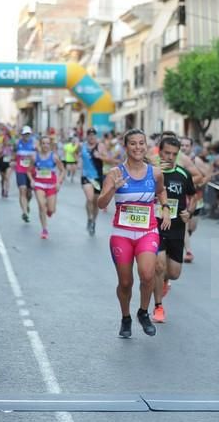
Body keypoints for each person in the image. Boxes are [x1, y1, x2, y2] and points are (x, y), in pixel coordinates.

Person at [97, 129, 171, 338]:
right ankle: (126, 318)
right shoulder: (115, 173)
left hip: (147, 231)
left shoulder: (155, 172)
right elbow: (101, 202)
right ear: (126, 146)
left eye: (141, 143)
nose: (138, 147)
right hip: (122, 234)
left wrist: (164, 208)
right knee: (126, 282)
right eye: (133, 144)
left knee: (148, 275)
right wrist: (113, 189)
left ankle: (142, 312)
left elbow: (161, 190)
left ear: (146, 146)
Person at [151, 136, 197, 323]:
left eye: (173, 154)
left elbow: (193, 196)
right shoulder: (151, 173)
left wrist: (189, 212)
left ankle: (164, 282)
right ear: (159, 152)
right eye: (166, 153)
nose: (169, 157)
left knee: (174, 273)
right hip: (156, 225)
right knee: (159, 265)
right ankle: (158, 307)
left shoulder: (183, 174)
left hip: (177, 228)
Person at [26, 135, 65, 239]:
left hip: (51, 185)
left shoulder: (54, 157)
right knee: (41, 206)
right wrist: (32, 180)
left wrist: (58, 182)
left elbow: (62, 171)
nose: (45, 145)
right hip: (39, 184)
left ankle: (49, 211)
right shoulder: (35, 157)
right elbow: (28, 171)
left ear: (50, 145)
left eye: (47, 143)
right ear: (40, 144)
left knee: (51, 210)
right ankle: (44, 229)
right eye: (43, 143)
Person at [80, 128, 111, 236]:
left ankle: (93, 221)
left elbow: (108, 159)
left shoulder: (100, 146)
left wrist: (100, 156)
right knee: (89, 198)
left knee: (96, 202)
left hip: (97, 177)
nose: (91, 137)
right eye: (89, 134)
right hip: (86, 176)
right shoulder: (82, 146)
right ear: (87, 136)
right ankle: (89, 218)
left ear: (96, 136)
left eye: (93, 135)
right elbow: (75, 153)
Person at [13, 126, 36, 222]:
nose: (27, 135)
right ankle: (25, 212)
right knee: (22, 190)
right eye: (25, 134)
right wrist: (12, 161)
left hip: (31, 171)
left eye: (28, 134)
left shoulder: (34, 144)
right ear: (22, 134)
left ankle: (27, 204)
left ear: (30, 134)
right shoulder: (17, 144)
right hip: (20, 170)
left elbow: (39, 156)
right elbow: (13, 154)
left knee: (29, 194)